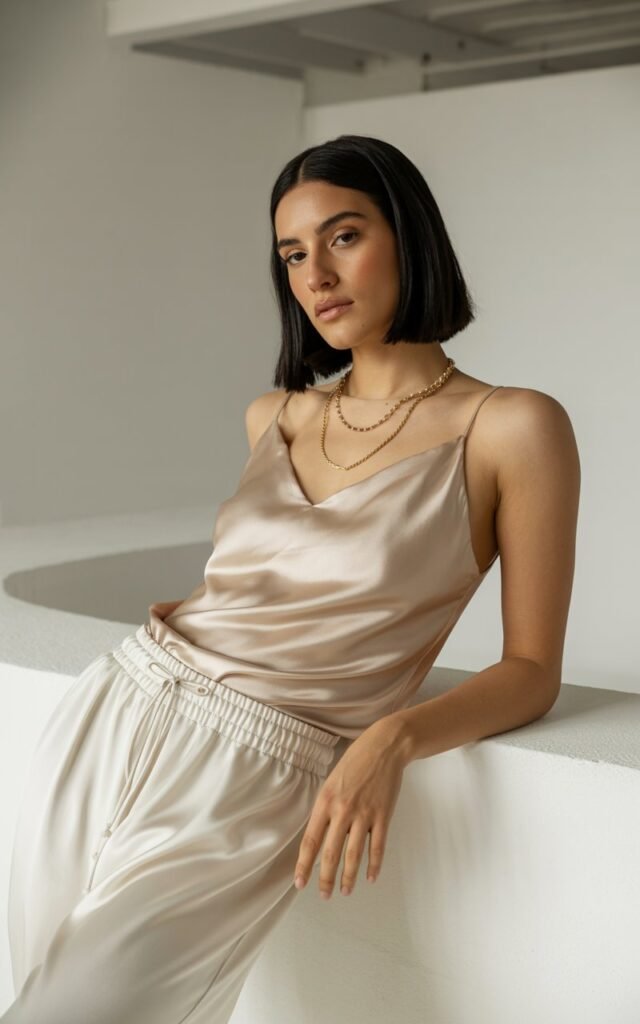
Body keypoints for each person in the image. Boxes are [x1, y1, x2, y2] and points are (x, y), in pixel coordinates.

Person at [3, 134, 580, 1023]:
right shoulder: (273, 415)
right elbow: (268, 584)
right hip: (114, 708)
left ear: (409, 234)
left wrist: (392, 739)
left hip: (255, 769)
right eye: (293, 254)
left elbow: (533, 669)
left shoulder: (513, 427)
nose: (317, 276)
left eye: (344, 236)